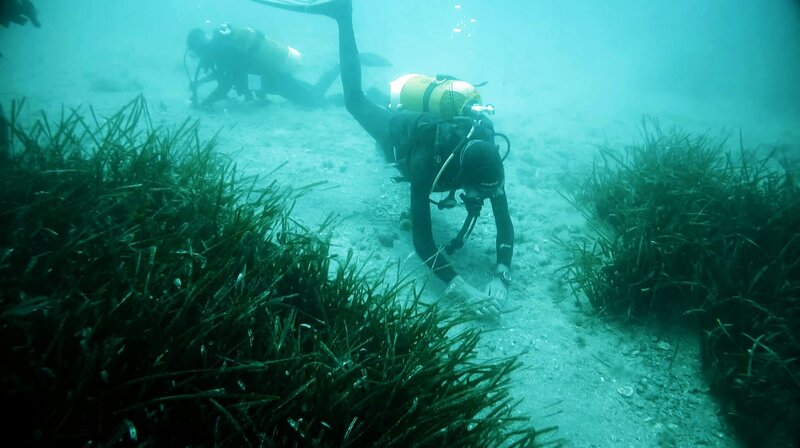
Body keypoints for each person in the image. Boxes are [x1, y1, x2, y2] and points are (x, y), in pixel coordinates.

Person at [252, 0, 515, 317]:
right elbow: (422, 242)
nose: (482, 199)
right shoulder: (428, 161)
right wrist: (464, 291)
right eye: (479, 192)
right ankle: (342, 15)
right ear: (462, 173)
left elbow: (504, 222)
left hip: (433, 134)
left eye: (488, 193)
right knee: (355, 101)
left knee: (368, 103)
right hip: (400, 134)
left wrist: (502, 274)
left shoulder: (486, 160)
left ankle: (384, 95)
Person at [185, 23, 341, 108]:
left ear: (200, 47)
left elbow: (224, 86)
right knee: (314, 91)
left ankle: (349, 85)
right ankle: (340, 69)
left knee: (314, 102)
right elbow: (223, 73)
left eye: (197, 53)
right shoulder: (223, 47)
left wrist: (204, 103)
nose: (200, 58)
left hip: (273, 78)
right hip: (272, 76)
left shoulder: (222, 52)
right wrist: (200, 82)